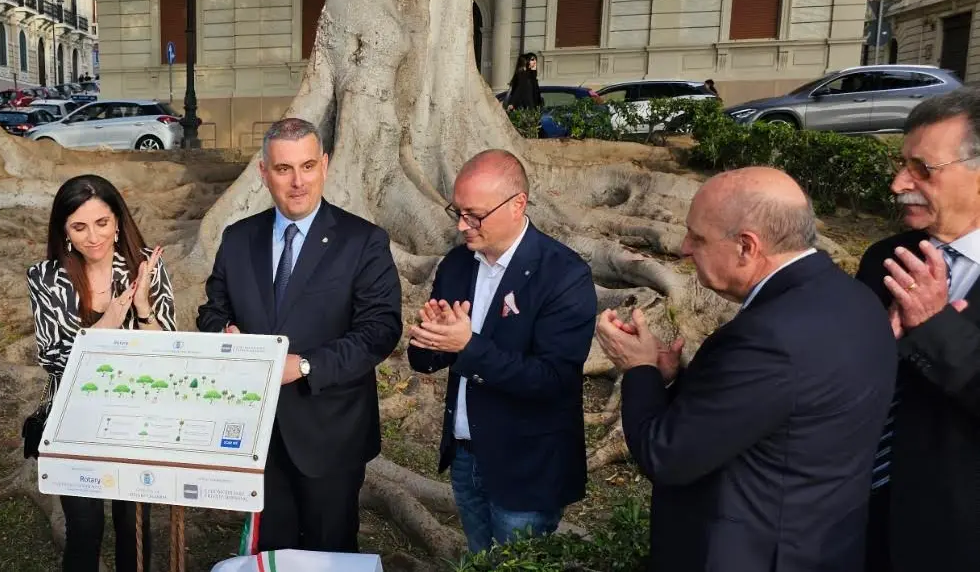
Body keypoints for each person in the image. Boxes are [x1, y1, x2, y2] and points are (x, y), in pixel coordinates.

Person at [595, 167, 895, 572]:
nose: (683, 247)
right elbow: (768, 416)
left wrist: (639, 369)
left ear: (747, 247)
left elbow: (667, 455)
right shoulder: (855, 298)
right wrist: (669, 377)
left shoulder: (768, 337)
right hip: (821, 542)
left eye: (697, 237)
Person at [196, 117, 402, 554]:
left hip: (330, 435)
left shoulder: (363, 241)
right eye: (284, 169)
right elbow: (213, 310)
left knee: (328, 553)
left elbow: (380, 329)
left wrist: (306, 365)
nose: (297, 182)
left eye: (307, 166)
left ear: (325, 165)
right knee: (270, 552)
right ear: (263, 173)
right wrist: (224, 333)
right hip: (255, 437)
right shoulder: (237, 239)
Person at [406, 150, 595, 553]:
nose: (461, 226)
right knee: (479, 557)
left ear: (517, 205)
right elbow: (426, 360)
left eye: (473, 215)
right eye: (456, 212)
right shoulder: (457, 264)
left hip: (525, 466)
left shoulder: (563, 274)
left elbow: (553, 379)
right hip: (464, 455)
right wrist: (429, 339)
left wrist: (467, 345)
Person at [856, 89, 980, 572]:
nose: (898, 183)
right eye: (902, 164)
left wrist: (933, 327)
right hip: (853, 519)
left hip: (954, 537)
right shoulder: (884, 258)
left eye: (922, 169)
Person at [27, 174, 175, 572]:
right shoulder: (45, 278)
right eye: (79, 227)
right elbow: (52, 355)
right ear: (65, 231)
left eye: (102, 223)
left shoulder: (145, 267)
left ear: (117, 223)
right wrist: (105, 324)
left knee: (135, 526)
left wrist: (143, 309)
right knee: (85, 527)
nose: (93, 237)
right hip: (74, 421)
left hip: (134, 422)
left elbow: (167, 354)